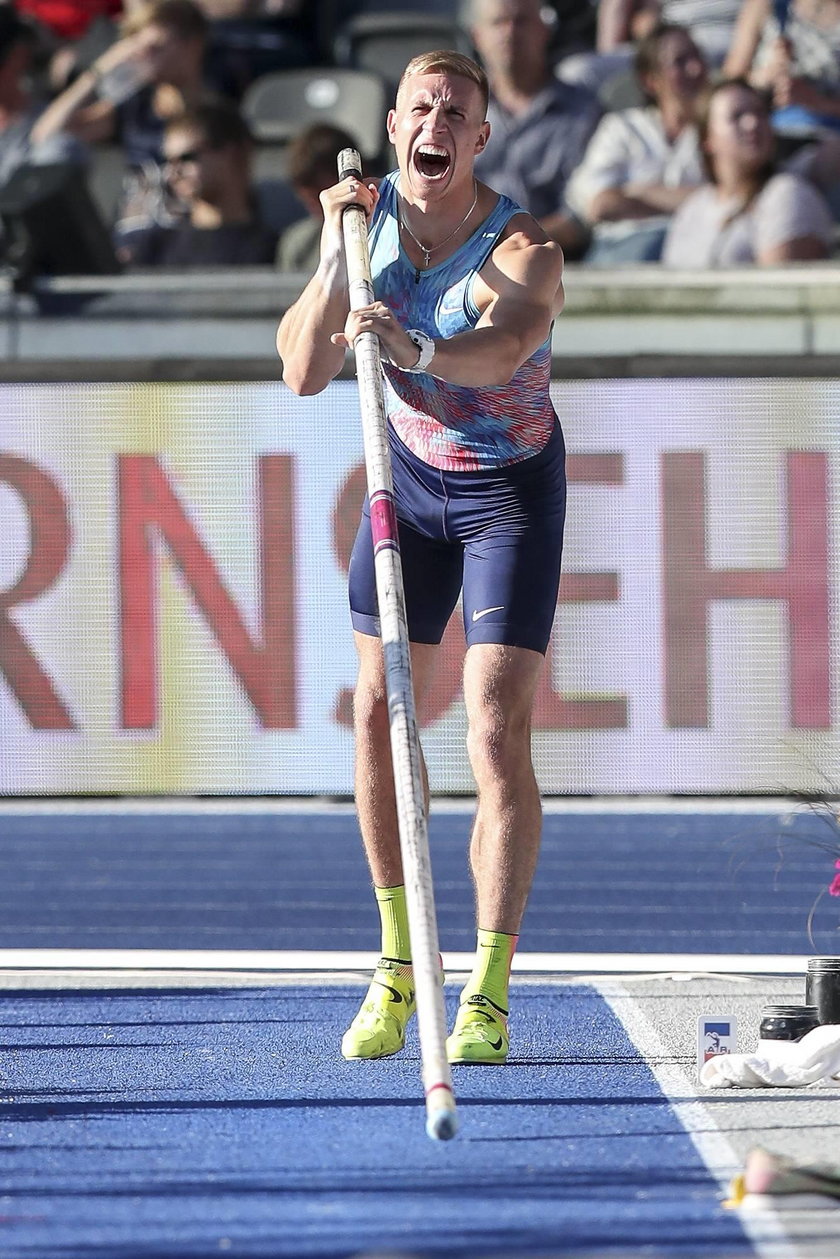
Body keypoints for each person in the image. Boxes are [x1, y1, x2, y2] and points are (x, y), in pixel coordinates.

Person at [276, 50, 566, 1066]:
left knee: (493, 723)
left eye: (459, 112)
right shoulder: (365, 226)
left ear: (479, 139)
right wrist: (330, 254)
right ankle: (399, 961)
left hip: (505, 492)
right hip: (410, 482)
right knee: (374, 706)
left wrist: (418, 350)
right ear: (397, 125)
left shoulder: (524, 245)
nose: (437, 123)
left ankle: (484, 986)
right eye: (422, 107)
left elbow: (504, 348)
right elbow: (304, 371)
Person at [461, 0, 601, 257]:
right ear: (477, 36)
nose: (510, 31)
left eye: (522, 21)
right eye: (498, 22)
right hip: (461, 262)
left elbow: (580, 216)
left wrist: (504, 244)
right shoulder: (456, 112)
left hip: (553, 263)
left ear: (545, 30)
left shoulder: (583, 113)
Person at [565, 22, 707, 263]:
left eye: (697, 58)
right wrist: (691, 200)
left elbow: (730, 200)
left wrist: (638, 192)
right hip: (620, 251)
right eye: (680, 61)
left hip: (693, 251)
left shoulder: (717, 131)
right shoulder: (621, 128)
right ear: (651, 80)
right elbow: (600, 205)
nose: (695, 69)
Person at [662, 77, 834, 265]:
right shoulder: (693, 208)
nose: (752, 123)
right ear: (707, 139)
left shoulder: (788, 194)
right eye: (736, 116)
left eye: (760, 113)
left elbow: (780, 291)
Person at [124, 98, 276, 265]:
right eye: (168, 161)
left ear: (234, 154)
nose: (172, 173)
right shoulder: (155, 247)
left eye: (187, 158)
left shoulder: (275, 249)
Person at [275, 122, 358, 275]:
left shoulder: (392, 231)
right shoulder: (298, 245)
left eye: (322, 191)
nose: (322, 201)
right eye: (310, 199)